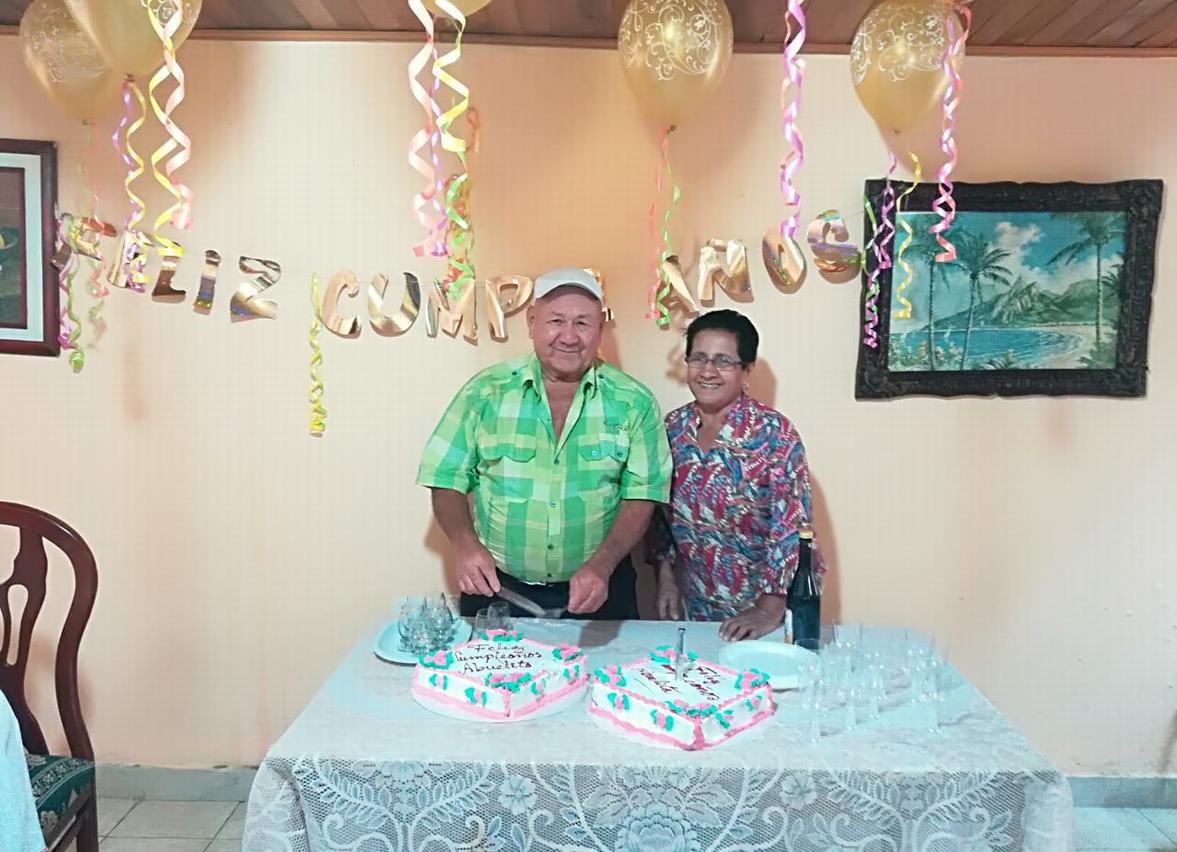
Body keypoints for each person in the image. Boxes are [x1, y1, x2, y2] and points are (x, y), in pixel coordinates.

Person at [417, 267, 672, 619]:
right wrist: (465, 545)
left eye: (582, 323)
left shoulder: (634, 402)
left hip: (601, 589)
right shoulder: (485, 392)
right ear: (532, 321)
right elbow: (445, 478)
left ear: (600, 329)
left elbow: (643, 495)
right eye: (556, 321)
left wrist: (602, 564)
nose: (568, 337)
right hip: (499, 591)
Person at [648, 309, 826, 641]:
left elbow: (792, 530)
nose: (707, 371)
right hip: (694, 611)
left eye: (723, 361)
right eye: (698, 358)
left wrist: (768, 611)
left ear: (746, 370)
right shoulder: (672, 429)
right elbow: (659, 516)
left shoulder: (774, 434)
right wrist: (666, 578)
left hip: (761, 619)